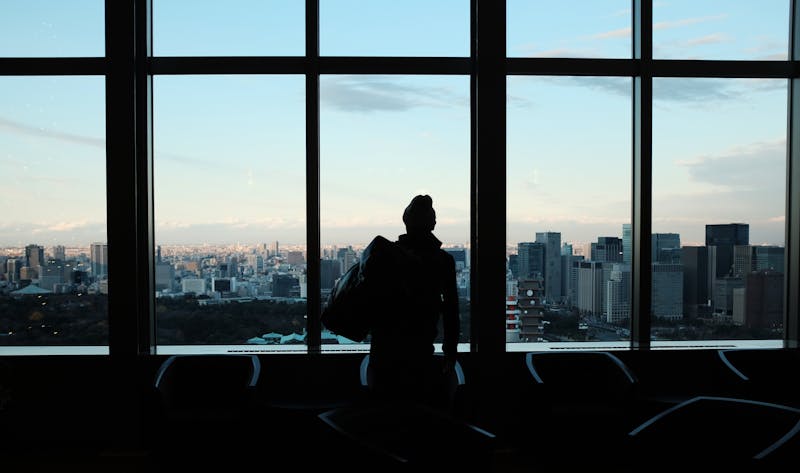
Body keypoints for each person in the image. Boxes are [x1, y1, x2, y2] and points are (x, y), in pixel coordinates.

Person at [367, 195, 461, 407]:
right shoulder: (442, 261)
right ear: (433, 224)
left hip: (383, 350)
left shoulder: (386, 255)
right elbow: (451, 310)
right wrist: (450, 352)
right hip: (419, 349)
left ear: (406, 222)